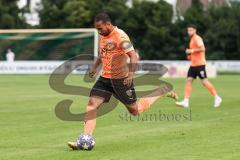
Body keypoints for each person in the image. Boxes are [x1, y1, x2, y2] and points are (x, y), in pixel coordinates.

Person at [68, 13, 178, 150]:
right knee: (91, 105)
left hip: (121, 80)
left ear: (108, 24)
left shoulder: (121, 36)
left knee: (135, 110)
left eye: (100, 28)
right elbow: (103, 53)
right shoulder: (103, 35)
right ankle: (84, 140)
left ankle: (162, 91)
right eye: (97, 29)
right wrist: (95, 67)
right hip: (105, 79)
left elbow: (133, 56)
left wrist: (131, 74)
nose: (99, 31)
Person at [176, 24, 222, 108]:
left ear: (195, 30)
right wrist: (190, 56)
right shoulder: (192, 40)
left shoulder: (197, 38)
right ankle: (186, 101)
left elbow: (203, 49)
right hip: (193, 65)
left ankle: (217, 97)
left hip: (200, 64)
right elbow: (194, 53)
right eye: (188, 30)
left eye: (190, 30)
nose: (189, 32)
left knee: (204, 82)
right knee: (188, 80)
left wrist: (191, 50)